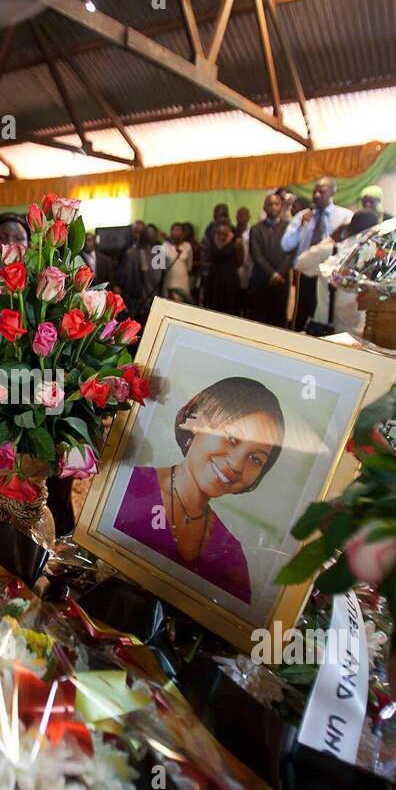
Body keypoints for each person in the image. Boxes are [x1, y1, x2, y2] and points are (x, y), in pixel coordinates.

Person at [113, 377, 285, 601]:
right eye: (231, 438)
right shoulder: (121, 486)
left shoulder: (230, 551)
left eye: (255, 458)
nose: (236, 464)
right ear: (194, 422)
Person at [293, 209, 380, 335]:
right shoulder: (378, 258)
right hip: (359, 330)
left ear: (349, 229)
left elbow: (299, 263)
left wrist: (331, 238)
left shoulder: (332, 251)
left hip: (330, 328)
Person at [282, 177, 353, 331]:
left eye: (322, 192)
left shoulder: (345, 216)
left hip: (330, 276)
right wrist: (301, 226)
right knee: (299, 316)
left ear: (333, 192)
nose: (316, 195)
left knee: (323, 317)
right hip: (305, 273)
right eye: (315, 191)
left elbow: (348, 247)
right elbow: (286, 244)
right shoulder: (303, 216)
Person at [247, 193, 295, 328]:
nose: (273, 207)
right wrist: (272, 274)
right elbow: (256, 255)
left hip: (282, 280)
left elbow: (291, 253)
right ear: (264, 208)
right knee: (260, 320)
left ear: (281, 207)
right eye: (270, 205)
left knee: (279, 319)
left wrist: (279, 273)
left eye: (276, 204)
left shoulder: (289, 228)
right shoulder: (256, 229)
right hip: (262, 280)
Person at [117, 223, 164, 326]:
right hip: (134, 297)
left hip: (151, 297)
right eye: (148, 233)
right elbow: (124, 275)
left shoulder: (159, 252)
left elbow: (159, 278)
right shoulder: (132, 252)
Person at [200, 221, 244, 316]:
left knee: (228, 308)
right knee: (211, 309)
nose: (221, 234)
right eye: (219, 231)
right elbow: (206, 257)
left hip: (229, 280)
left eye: (224, 231)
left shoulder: (236, 241)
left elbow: (240, 261)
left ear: (229, 229)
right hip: (213, 279)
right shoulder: (211, 239)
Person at [162, 222, 194, 302]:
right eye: (174, 230)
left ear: (183, 233)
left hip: (183, 280)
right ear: (171, 232)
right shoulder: (165, 245)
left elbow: (190, 265)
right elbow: (161, 265)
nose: (176, 232)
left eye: (179, 230)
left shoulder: (187, 246)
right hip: (169, 280)